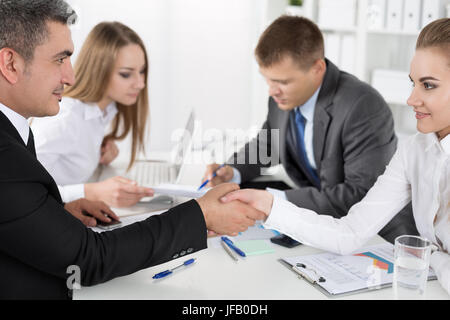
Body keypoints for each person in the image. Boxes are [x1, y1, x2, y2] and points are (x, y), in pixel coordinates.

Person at [0, 0, 265, 300]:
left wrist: (57, 212)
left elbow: (19, 206)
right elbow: (90, 259)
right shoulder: (13, 151)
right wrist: (200, 216)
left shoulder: (15, 130)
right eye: (59, 59)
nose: (70, 77)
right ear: (10, 64)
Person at [220, 18, 450, 295]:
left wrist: (433, 258)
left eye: (428, 85)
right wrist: (266, 204)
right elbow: (349, 233)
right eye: (412, 83)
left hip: (402, 256)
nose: (411, 99)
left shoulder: (360, 104)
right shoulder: (415, 149)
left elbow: (357, 193)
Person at [202, 15, 418, 243]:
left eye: (283, 82)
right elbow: (267, 145)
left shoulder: (362, 106)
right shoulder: (284, 97)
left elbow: (361, 194)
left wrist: (273, 203)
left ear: (317, 68)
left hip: (377, 238)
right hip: (321, 224)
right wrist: (232, 172)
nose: (272, 91)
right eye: (268, 80)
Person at [31, 21, 154, 209]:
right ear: (99, 70)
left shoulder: (103, 112)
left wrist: (98, 155)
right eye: (126, 74)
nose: (140, 84)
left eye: (142, 71)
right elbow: (24, 189)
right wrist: (91, 192)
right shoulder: (63, 118)